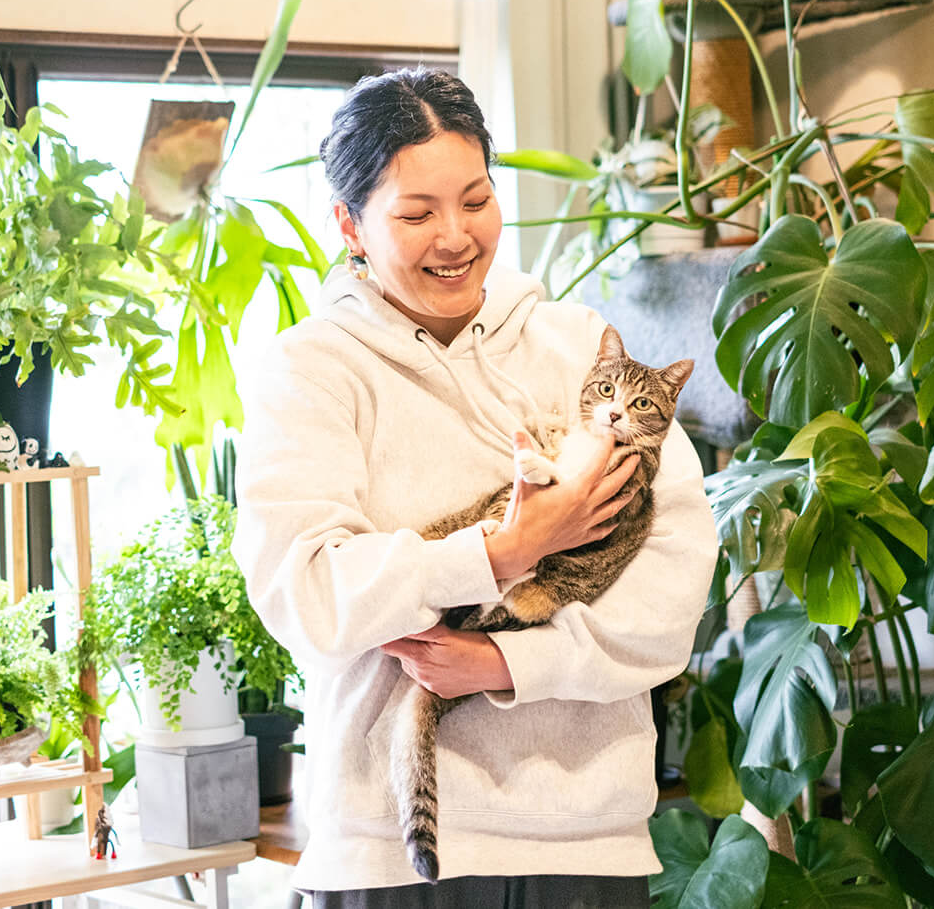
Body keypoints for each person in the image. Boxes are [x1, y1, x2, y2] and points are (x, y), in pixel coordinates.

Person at [235, 68, 718, 908]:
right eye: (416, 214)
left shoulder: (583, 352)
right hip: (391, 857)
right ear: (348, 224)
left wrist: (505, 660)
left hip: (588, 849)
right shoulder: (310, 370)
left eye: (477, 199)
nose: (455, 235)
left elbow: (676, 588)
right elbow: (307, 594)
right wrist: (507, 549)